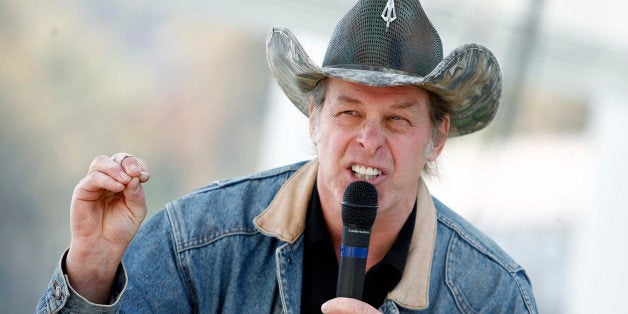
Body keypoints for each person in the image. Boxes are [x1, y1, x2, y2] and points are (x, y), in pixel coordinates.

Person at [37, 0, 538, 313]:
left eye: (398, 119)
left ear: (437, 137)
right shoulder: (199, 241)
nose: (369, 141)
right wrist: (93, 272)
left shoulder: (493, 296)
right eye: (348, 113)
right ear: (314, 119)